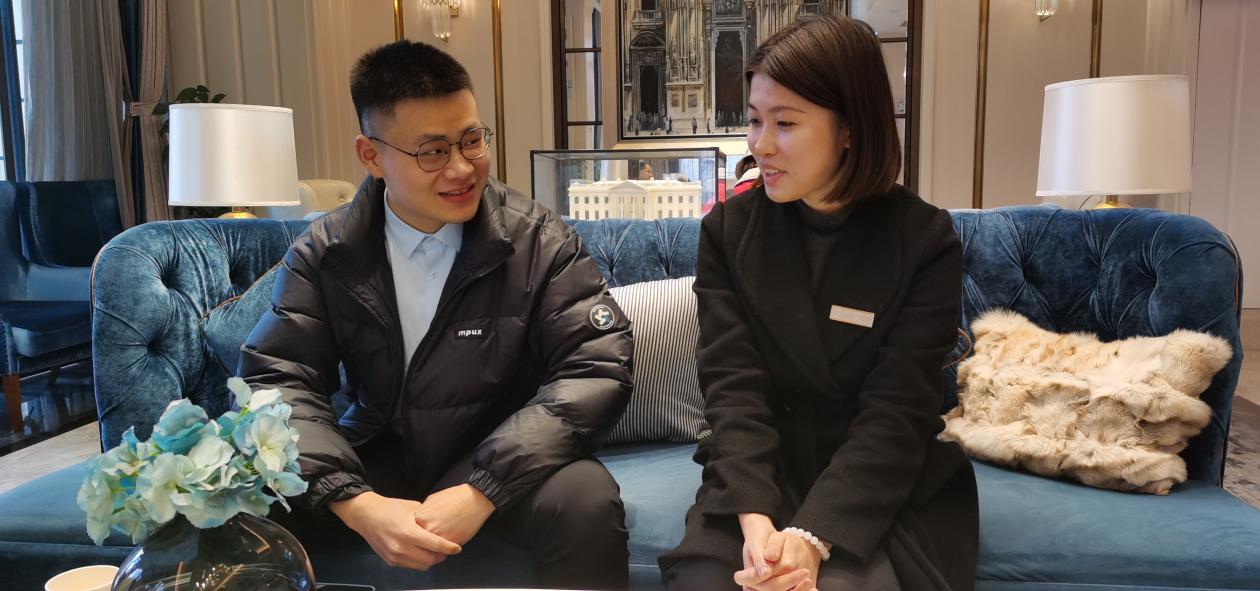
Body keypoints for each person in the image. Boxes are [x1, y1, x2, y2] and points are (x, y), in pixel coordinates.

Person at [241, 40, 634, 590]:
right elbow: (279, 379)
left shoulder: (538, 240)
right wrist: (355, 503)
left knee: (586, 501)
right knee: (243, 506)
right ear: (371, 156)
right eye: (432, 151)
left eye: (472, 140)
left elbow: (595, 367)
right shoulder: (326, 251)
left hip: (500, 449)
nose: (462, 168)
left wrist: (483, 489)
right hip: (377, 452)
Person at [659, 15, 978, 591]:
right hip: (761, 471)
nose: (760, 144)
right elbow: (732, 388)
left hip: (874, 482)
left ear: (851, 127)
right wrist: (756, 520)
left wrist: (813, 535)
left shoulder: (924, 241)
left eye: (785, 123)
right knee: (710, 579)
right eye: (755, 120)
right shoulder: (728, 232)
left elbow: (898, 410)